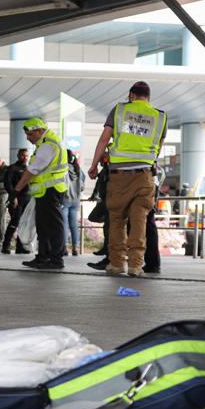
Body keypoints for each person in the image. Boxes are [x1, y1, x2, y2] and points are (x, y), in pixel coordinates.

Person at [87, 81, 167, 277]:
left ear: (131, 94)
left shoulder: (119, 110)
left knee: (116, 220)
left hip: (119, 176)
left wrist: (94, 164)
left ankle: (116, 264)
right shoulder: (160, 116)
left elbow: (105, 138)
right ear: (148, 96)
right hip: (145, 176)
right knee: (139, 222)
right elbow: (159, 145)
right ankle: (135, 266)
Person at [12, 118, 67, 270]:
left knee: (53, 226)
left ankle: (56, 259)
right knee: (43, 225)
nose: (28, 138)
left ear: (39, 131)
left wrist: (17, 189)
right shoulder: (45, 143)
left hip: (51, 190)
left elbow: (33, 170)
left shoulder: (48, 145)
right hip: (45, 191)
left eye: (30, 135)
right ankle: (43, 257)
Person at [1, 148, 32, 254]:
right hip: (17, 199)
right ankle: (5, 246)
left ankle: (20, 247)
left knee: (24, 224)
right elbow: (8, 184)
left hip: (27, 199)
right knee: (15, 222)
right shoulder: (12, 168)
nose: (25, 157)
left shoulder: (29, 168)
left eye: (27, 155)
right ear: (18, 156)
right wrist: (13, 197)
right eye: (23, 155)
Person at [63, 150, 84, 256]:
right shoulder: (78, 169)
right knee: (74, 225)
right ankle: (75, 248)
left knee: (64, 225)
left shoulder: (63, 168)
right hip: (76, 200)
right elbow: (82, 186)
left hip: (65, 200)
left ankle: (65, 247)